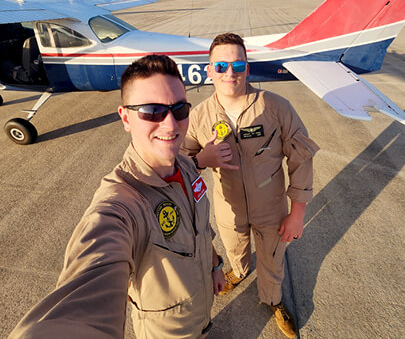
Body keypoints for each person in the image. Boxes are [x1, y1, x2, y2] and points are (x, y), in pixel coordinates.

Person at [9, 55, 224, 339]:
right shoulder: (121, 203)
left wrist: (215, 264)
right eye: (152, 111)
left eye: (179, 109)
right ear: (125, 118)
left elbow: (200, 227)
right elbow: (93, 269)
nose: (171, 124)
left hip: (203, 311)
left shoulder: (186, 166)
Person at [181, 33, 319, 338]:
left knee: (272, 259)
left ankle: (274, 299)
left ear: (247, 68)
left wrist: (297, 213)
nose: (230, 72)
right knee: (235, 250)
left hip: (271, 209)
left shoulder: (275, 107)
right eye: (221, 65)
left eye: (238, 64)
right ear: (209, 70)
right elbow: (178, 164)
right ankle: (239, 272)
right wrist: (202, 159)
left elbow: (301, 158)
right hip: (228, 208)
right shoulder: (199, 117)